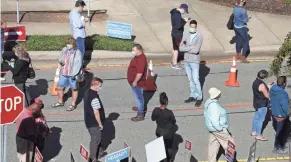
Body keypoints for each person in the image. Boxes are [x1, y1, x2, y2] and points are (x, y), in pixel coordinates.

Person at [204, 87, 236, 162]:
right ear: (216, 95)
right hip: (218, 128)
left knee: (213, 145)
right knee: (230, 144)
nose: (220, 93)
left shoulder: (209, 101)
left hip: (212, 129)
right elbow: (214, 120)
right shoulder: (214, 106)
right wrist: (220, 129)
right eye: (219, 93)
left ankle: (212, 160)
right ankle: (230, 160)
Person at [51, 38, 82, 111]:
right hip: (64, 73)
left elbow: (78, 64)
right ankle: (60, 102)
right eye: (67, 43)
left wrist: (74, 74)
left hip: (72, 74)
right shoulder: (64, 49)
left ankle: (73, 104)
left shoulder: (77, 52)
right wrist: (61, 62)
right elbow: (60, 58)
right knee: (60, 87)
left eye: (70, 44)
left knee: (74, 89)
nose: (68, 45)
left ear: (73, 44)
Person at [179, 20, 203, 107]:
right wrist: (190, 47)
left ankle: (199, 97)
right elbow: (180, 48)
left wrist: (186, 48)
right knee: (190, 79)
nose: (192, 28)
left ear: (196, 27)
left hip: (194, 61)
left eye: (194, 27)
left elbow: (196, 50)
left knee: (196, 79)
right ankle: (193, 95)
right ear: (189, 26)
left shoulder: (199, 36)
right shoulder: (186, 33)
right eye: (191, 26)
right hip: (186, 60)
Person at [84, 77, 106, 162]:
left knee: (98, 137)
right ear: (95, 84)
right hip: (94, 123)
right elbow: (96, 112)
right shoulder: (94, 97)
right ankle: (93, 158)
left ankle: (100, 153)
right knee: (95, 139)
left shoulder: (87, 92)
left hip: (88, 120)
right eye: (100, 85)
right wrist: (100, 124)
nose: (100, 87)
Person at [151, 92, 176, 162]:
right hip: (167, 132)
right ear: (166, 102)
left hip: (159, 131)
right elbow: (174, 121)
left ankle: (162, 158)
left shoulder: (155, 110)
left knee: (161, 145)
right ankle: (168, 159)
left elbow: (153, 119)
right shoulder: (169, 112)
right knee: (169, 147)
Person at [127, 44, 148, 122]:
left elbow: (140, 73)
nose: (132, 52)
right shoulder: (138, 57)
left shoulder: (141, 59)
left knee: (139, 98)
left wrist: (135, 82)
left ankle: (140, 114)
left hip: (137, 83)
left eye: (134, 50)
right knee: (139, 97)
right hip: (134, 82)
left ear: (139, 50)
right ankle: (140, 107)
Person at [270, 76, 289, 154]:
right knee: (280, 132)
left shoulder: (273, 89)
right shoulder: (283, 94)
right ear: (284, 83)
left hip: (274, 112)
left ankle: (280, 143)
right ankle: (277, 147)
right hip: (280, 115)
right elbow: (285, 107)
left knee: (278, 129)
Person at [251, 70, 269, 141]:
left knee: (256, 117)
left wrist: (267, 86)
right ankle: (259, 135)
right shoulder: (262, 85)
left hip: (256, 102)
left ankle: (254, 131)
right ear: (264, 77)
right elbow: (267, 95)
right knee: (261, 120)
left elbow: (260, 90)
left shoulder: (255, 82)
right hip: (262, 104)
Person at [170, 3, 189, 69]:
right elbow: (178, 26)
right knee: (177, 49)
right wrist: (184, 21)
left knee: (174, 48)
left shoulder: (174, 12)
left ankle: (173, 61)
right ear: (182, 9)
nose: (184, 12)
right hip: (177, 34)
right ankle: (175, 64)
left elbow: (176, 23)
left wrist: (182, 20)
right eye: (184, 11)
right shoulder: (177, 14)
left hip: (174, 33)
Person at [12, 43, 31, 107]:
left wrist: (11, 67)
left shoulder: (20, 62)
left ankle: (25, 106)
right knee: (24, 90)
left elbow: (15, 72)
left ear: (18, 52)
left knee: (21, 93)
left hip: (19, 79)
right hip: (24, 76)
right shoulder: (27, 57)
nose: (14, 54)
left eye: (15, 52)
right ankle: (29, 101)